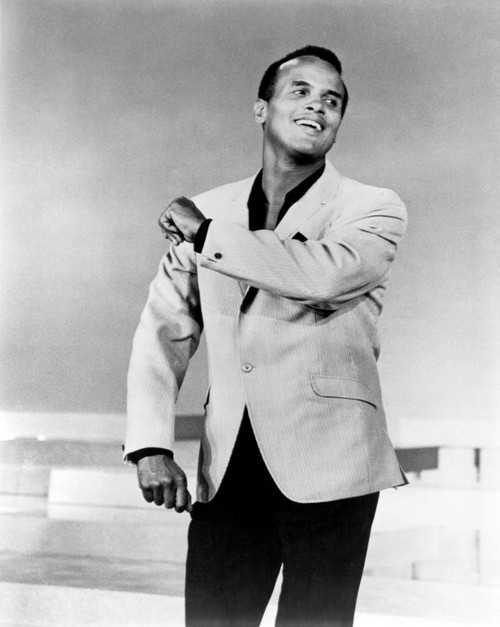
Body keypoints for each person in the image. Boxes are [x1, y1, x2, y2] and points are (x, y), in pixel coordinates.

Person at [124, 45, 408, 627]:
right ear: (262, 109)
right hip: (227, 469)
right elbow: (162, 331)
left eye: (332, 100)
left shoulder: (373, 207)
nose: (318, 107)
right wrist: (151, 445)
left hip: (333, 466)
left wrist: (205, 235)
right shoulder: (211, 207)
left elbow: (323, 275)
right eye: (300, 91)